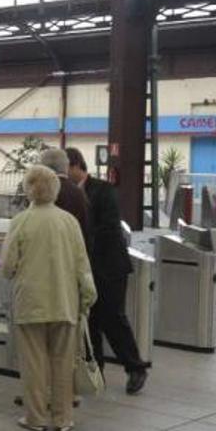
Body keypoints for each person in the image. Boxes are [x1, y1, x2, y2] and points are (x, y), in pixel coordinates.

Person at [0, 165, 97, 431]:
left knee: (34, 364)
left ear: (28, 189)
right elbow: (82, 265)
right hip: (65, 302)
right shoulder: (69, 221)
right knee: (63, 364)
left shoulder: (20, 221)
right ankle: (63, 419)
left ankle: (35, 418)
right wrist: (87, 299)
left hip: (30, 302)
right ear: (55, 188)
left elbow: (7, 267)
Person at [65, 147, 148, 395]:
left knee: (113, 318)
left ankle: (135, 368)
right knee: (89, 320)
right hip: (84, 268)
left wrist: (80, 239)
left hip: (109, 266)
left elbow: (110, 226)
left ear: (77, 165)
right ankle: (95, 369)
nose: (64, 174)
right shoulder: (66, 194)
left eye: (66, 169)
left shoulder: (103, 190)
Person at [40, 148, 91, 245]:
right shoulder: (78, 193)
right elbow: (85, 230)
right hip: (70, 250)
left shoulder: (38, 191)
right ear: (66, 166)